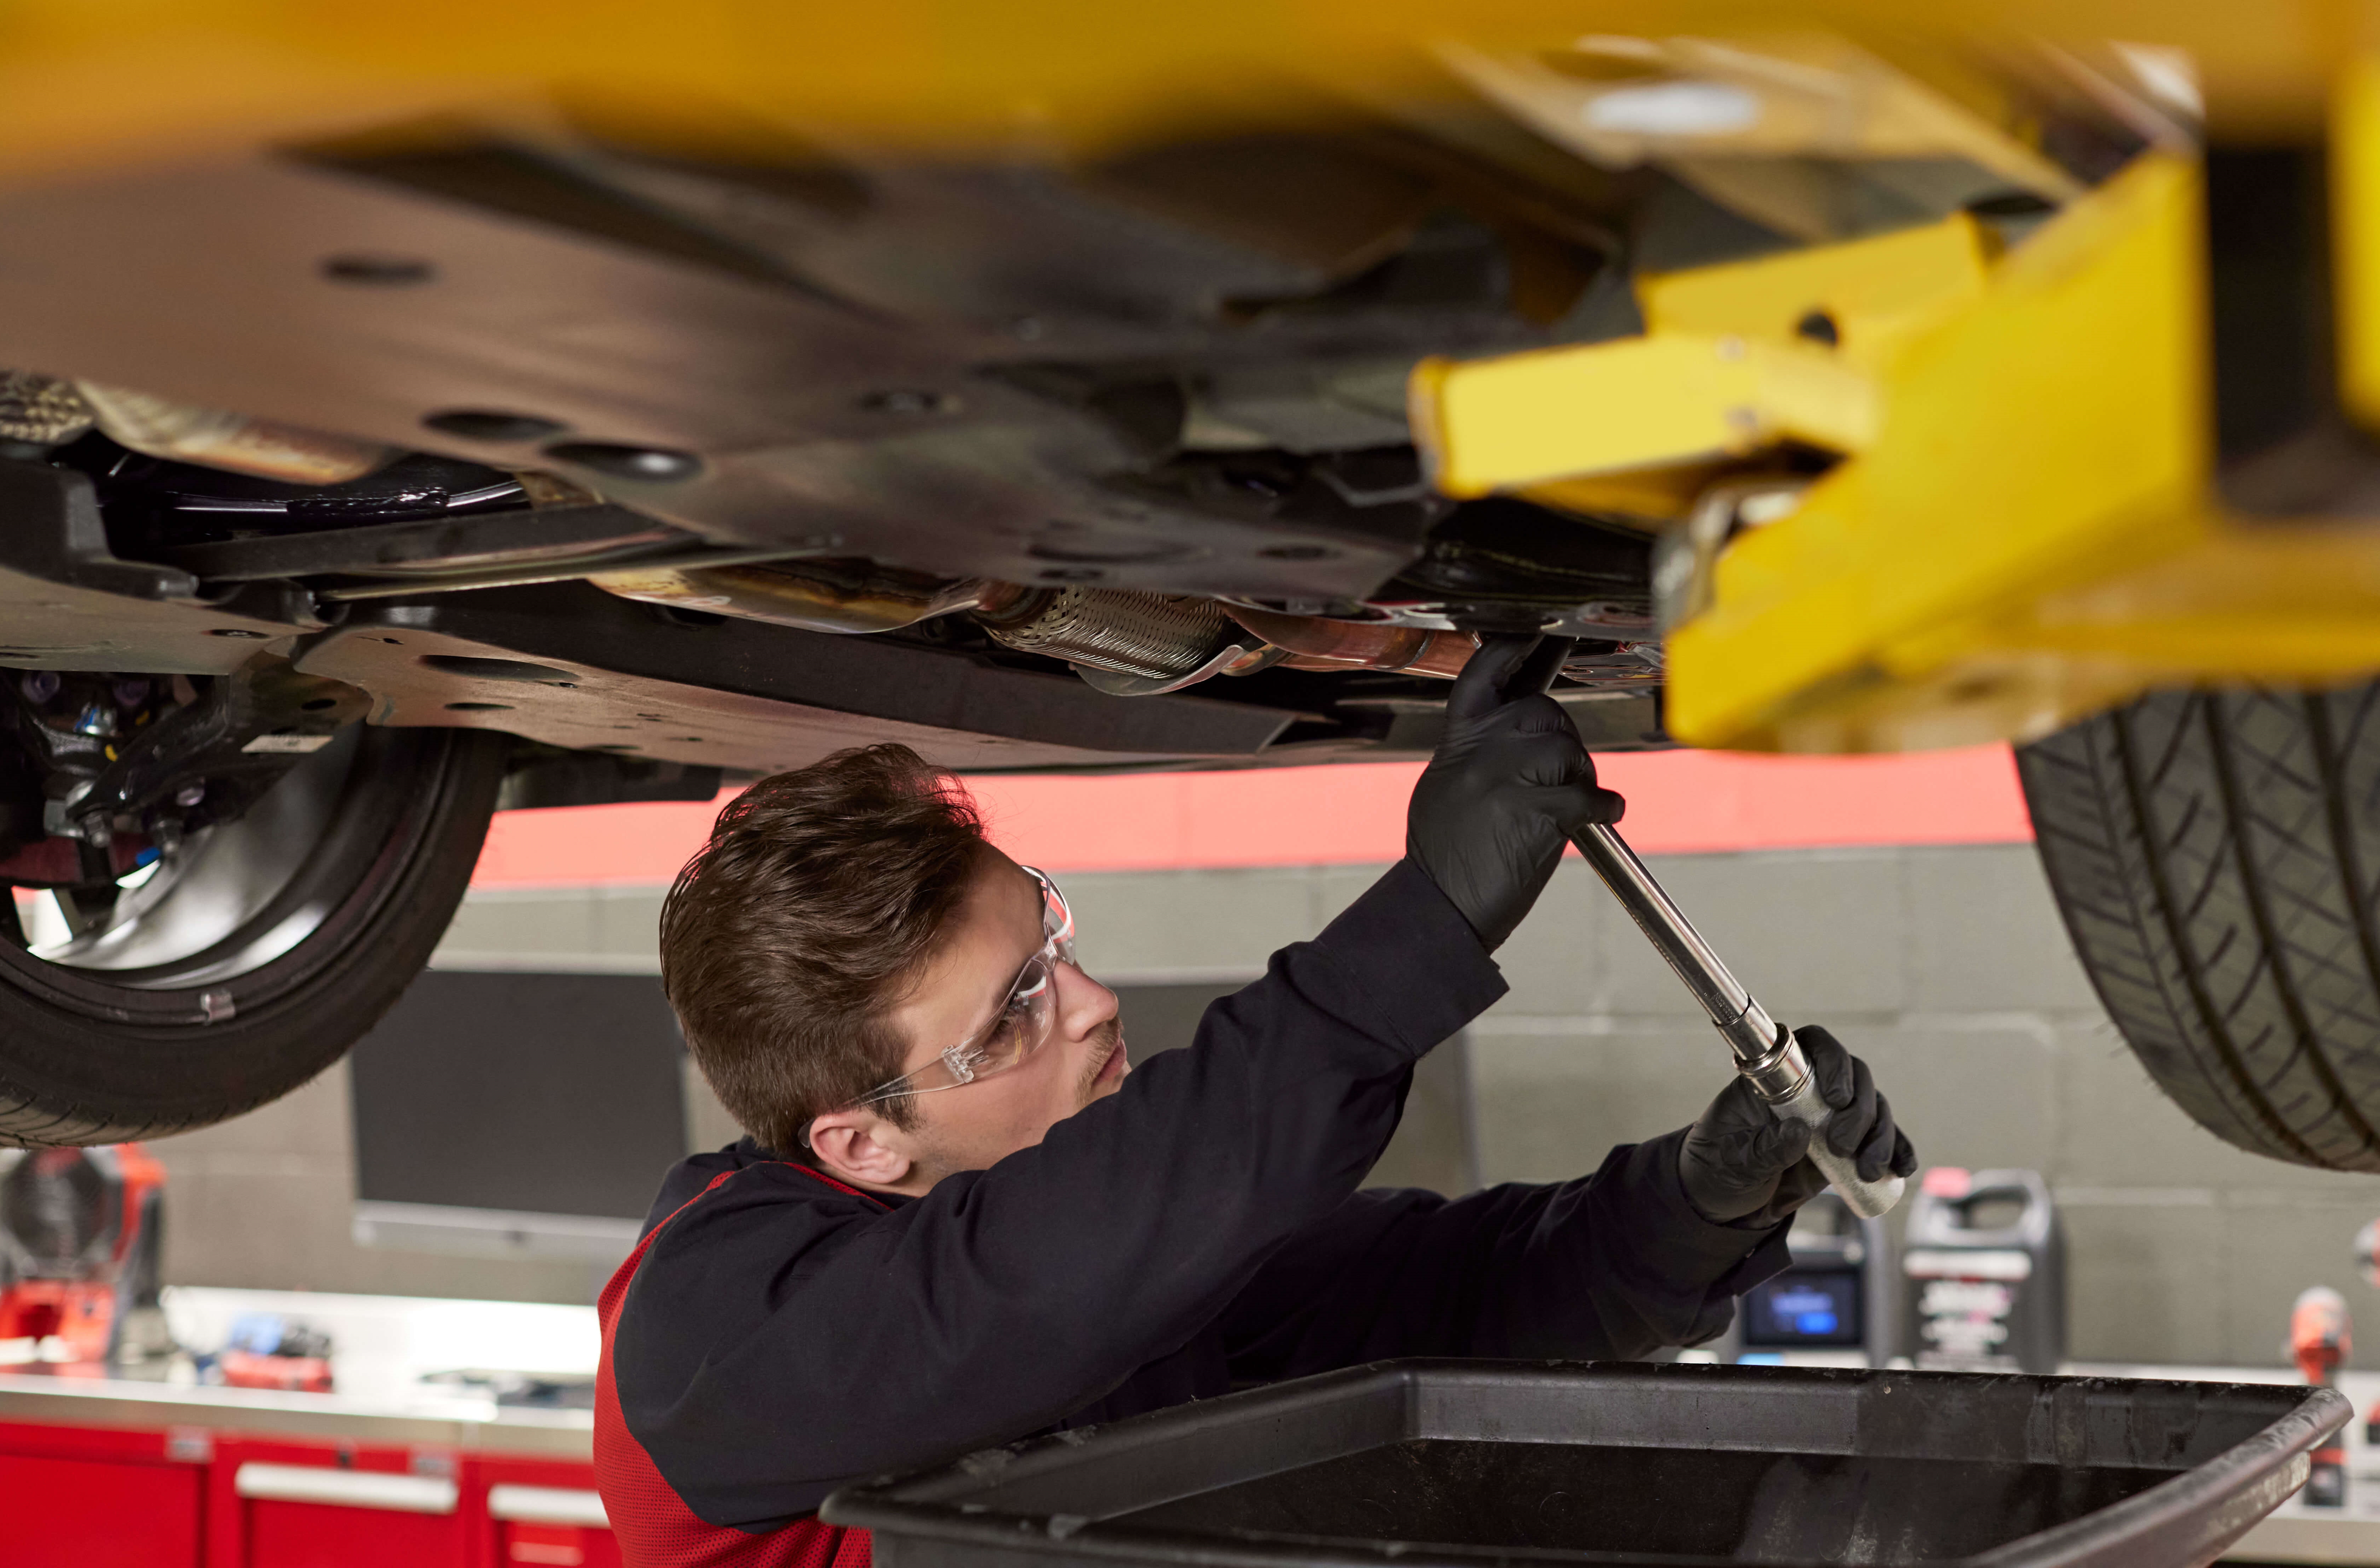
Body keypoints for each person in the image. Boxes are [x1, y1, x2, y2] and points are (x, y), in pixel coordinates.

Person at [593, 637, 1916, 1567]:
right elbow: (1033, 1282)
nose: (1094, 1004)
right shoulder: (715, 1333)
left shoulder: (1125, 1260)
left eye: (1054, 946)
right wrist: (1426, 925)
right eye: (1012, 1017)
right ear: (860, 1143)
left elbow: (1437, 1304)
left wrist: (1691, 1205)